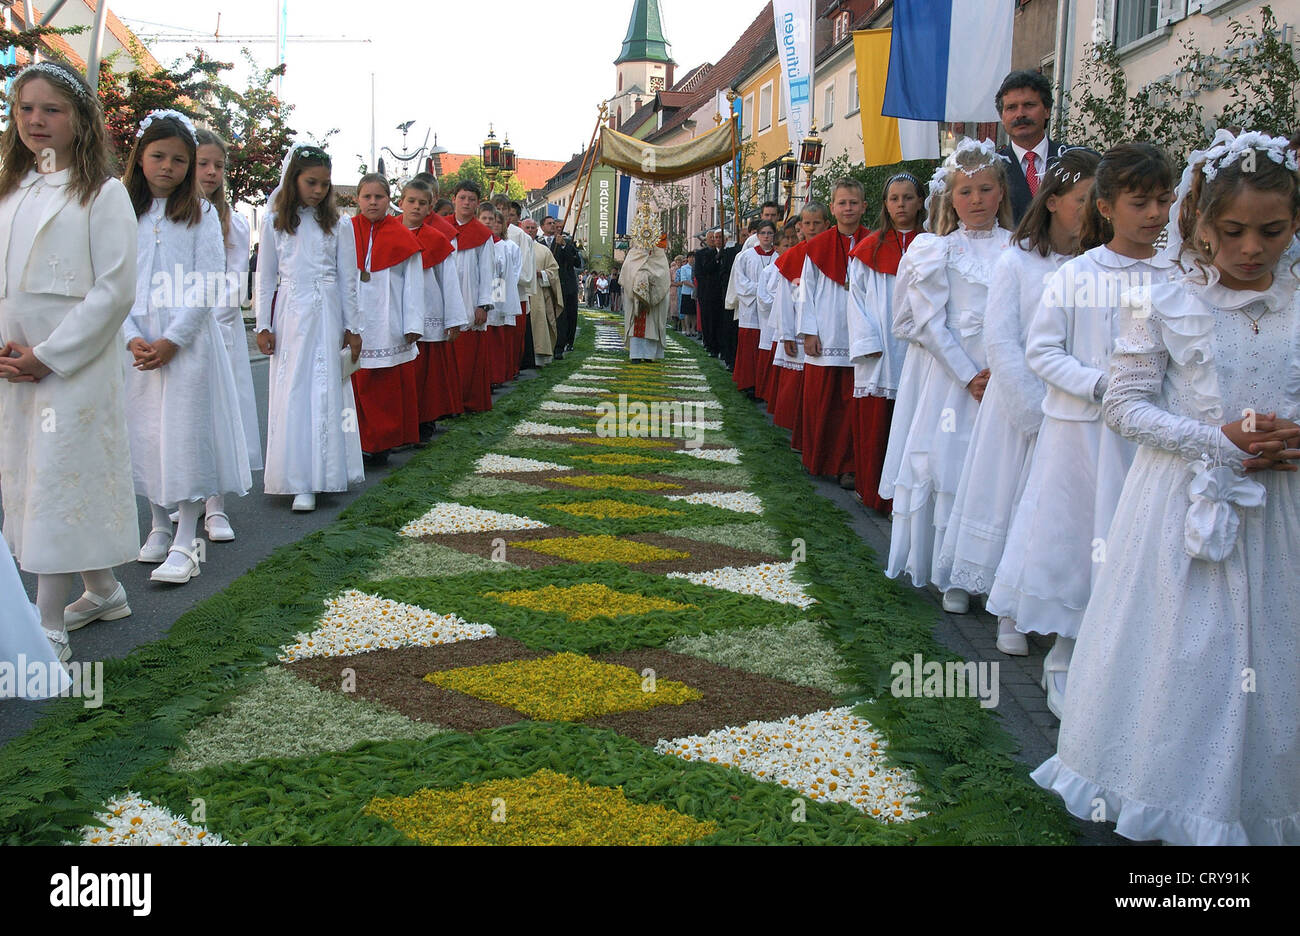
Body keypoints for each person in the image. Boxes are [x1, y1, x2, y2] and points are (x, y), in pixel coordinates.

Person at [1034, 129, 1300, 845]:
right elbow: (1125, 404)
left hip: (1281, 512)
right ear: (1202, 224)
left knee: (1273, 657)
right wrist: (1216, 441)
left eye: (1271, 231)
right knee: (1187, 651)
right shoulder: (1164, 302)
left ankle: (1259, 799)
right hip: (1180, 505)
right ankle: (1167, 789)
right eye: (1234, 231)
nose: (1252, 249)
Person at [987, 143, 1177, 714]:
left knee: (1132, 539)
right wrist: (1100, 385)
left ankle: (1126, 654)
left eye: (1164, 201)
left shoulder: (1180, 275)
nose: (1156, 214)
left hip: (1150, 436)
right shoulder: (1077, 274)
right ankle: (1065, 652)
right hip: (1083, 431)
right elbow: (1042, 350)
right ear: (1106, 207)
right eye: (1141, 202)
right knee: (1075, 540)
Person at [0, 60, 138, 656]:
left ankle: (47, 622)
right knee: (28, 482)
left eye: (51, 109)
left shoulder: (101, 193)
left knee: (57, 481)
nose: (36, 119)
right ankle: (103, 589)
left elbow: (114, 289)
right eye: (25, 107)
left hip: (69, 367)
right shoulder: (9, 187)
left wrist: (49, 356)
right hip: (12, 364)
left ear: (80, 120)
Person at [937, 148, 1098, 655]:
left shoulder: (1097, 263)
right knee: (1004, 496)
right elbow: (1001, 338)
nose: (1093, 209)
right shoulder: (1019, 261)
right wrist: (1031, 408)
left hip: (1076, 409)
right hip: (1019, 406)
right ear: (1052, 201)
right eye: (1083, 199)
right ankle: (1006, 607)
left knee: (1052, 511)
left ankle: (1044, 602)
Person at [878, 139, 1013, 607]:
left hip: (1005, 375)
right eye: (965, 191)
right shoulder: (934, 250)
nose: (976, 200)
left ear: (1001, 193)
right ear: (949, 198)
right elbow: (925, 320)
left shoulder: (1020, 249)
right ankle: (950, 571)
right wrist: (967, 373)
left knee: (997, 469)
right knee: (950, 462)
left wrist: (1006, 368)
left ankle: (992, 568)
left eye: (985, 189)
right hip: (953, 374)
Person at [122, 110, 251, 585]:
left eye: (180, 159)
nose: (168, 167)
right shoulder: (121, 210)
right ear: (140, 158)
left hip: (187, 342)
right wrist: (129, 334)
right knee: (147, 432)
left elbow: (208, 280)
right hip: (136, 342)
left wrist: (174, 338)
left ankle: (186, 537)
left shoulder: (200, 213)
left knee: (184, 433)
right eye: (158, 156)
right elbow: (109, 278)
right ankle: (158, 523)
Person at [255, 143, 364, 513]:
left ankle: (325, 474)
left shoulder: (338, 224)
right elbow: (265, 277)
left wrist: (353, 326)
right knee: (292, 390)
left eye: (324, 184)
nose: (318, 191)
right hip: (290, 313)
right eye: (311, 182)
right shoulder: (274, 223)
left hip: (327, 312)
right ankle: (296, 475)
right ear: (293, 180)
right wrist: (263, 324)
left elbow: (349, 278)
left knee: (324, 388)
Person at [195, 128, 262, 542]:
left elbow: (234, 281)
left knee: (219, 411)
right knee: (181, 416)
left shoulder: (232, 221)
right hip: (176, 325)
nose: (212, 172)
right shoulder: (165, 214)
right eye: (203, 163)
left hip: (219, 325)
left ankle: (214, 506)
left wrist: (215, 317)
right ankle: (170, 508)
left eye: (218, 165)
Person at [847, 173, 925, 512]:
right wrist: (866, 341)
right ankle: (876, 494)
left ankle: (910, 500)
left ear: (921, 201)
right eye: (894, 198)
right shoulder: (869, 249)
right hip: (881, 351)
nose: (901, 205)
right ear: (885, 205)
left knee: (914, 424)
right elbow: (857, 300)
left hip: (921, 350)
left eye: (908, 197)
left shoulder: (934, 245)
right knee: (879, 426)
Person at [797, 180, 873, 487]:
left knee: (852, 405)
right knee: (825, 403)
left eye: (853, 203)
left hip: (862, 334)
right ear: (833, 208)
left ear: (864, 206)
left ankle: (849, 465)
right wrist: (809, 332)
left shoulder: (875, 242)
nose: (848, 208)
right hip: (827, 333)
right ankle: (820, 459)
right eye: (842, 203)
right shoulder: (815, 247)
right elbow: (805, 292)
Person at [351, 174, 424, 465]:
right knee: (355, 383)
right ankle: (355, 440)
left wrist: (413, 324)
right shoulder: (345, 231)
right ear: (357, 199)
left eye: (378, 197)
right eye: (367, 196)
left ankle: (381, 443)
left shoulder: (402, 237)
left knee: (383, 387)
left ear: (388, 200)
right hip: (353, 319)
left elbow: (413, 285)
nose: (372, 202)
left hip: (388, 319)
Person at [397, 179, 466, 430]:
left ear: (430, 208)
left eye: (422, 203)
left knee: (427, 374)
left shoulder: (437, 240)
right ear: (401, 202)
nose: (416, 207)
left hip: (429, 310)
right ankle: (402, 422)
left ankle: (425, 422)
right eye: (411, 201)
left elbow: (449, 282)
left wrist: (453, 319)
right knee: (401, 372)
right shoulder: (389, 232)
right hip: (396, 312)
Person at [772, 203, 829, 442]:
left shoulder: (834, 250)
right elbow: (786, 299)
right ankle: (800, 435)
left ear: (827, 224)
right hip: (798, 328)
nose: (812, 228)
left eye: (817, 223)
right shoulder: (793, 257)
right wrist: (786, 334)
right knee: (799, 388)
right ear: (800, 227)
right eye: (807, 223)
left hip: (827, 330)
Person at [446, 180, 495, 412]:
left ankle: (465, 401)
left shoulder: (482, 235)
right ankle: (445, 402)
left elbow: (489, 272)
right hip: (442, 299)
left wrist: (483, 305)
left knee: (466, 358)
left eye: (472, 199)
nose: (466, 202)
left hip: (469, 298)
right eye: (462, 197)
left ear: (477, 204)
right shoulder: (440, 227)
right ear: (454, 198)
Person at [995, 70, 1065, 224]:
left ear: (1047, 110)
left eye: (1029, 105)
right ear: (1002, 117)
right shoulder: (992, 167)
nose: (1020, 114)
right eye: (1011, 107)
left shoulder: (1071, 160)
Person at [733, 219, 778, 397]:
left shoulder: (779, 257)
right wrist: (761, 289)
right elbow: (740, 282)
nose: (766, 237)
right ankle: (748, 383)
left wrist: (767, 293)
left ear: (774, 236)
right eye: (763, 233)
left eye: (770, 233)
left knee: (766, 345)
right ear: (757, 236)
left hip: (770, 309)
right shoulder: (745, 256)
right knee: (750, 346)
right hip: (750, 308)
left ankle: (764, 385)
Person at [622, 203, 671, 362]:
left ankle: (650, 355)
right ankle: (636, 354)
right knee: (637, 323)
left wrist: (650, 278)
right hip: (636, 301)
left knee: (652, 324)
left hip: (654, 301)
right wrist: (638, 279)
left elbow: (663, 273)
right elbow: (627, 271)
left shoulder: (659, 254)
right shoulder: (633, 253)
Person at [480, 204, 520, 388]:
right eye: (486, 219)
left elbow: (503, 274)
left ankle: (493, 377)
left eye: (494, 220)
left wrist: (496, 302)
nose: (490, 224)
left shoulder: (502, 246)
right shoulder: (474, 240)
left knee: (494, 338)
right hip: (474, 293)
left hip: (495, 292)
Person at [756, 222, 796, 406]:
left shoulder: (797, 266)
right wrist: (780, 305)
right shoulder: (768, 270)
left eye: (791, 244)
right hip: (773, 321)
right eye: (785, 245)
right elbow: (763, 298)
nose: (789, 248)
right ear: (777, 248)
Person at [526, 218, 563, 365]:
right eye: (527, 227)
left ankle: (538, 356)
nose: (529, 230)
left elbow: (554, 271)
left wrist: (541, 273)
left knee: (538, 325)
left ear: (537, 230)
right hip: (519, 294)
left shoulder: (543, 250)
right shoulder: (514, 246)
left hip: (537, 294)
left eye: (532, 228)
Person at [694, 229, 725, 356]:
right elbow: (701, 272)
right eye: (712, 237)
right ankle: (709, 343)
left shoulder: (725, 252)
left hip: (720, 291)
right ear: (707, 240)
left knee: (719, 320)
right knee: (708, 319)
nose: (714, 240)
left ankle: (719, 345)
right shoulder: (701, 254)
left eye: (716, 237)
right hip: (706, 292)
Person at [676, 253, 696, 336]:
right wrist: (694, 286)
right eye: (690, 257)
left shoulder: (696, 267)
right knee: (687, 312)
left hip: (695, 292)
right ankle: (687, 328)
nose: (692, 259)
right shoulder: (684, 268)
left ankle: (693, 328)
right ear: (688, 259)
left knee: (694, 312)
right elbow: (684, 280)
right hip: (687, 291)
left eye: (693, 257)